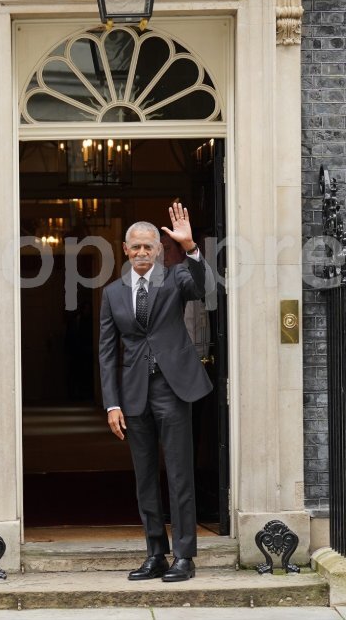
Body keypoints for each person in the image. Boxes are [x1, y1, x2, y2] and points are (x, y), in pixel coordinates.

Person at [98, 202, 213, 583]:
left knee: (180, 474)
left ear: (159, 250)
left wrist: (192, 247)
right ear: (126, 250)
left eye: (150, 246)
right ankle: (155, 553)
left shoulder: (177, 278)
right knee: (144, 477)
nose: (143, 252)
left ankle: (184, 555)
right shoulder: (113, 293)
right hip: (133, 395)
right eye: (136, 247)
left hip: (173, 389)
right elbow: (107, 351)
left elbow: (203, 288)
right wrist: (112, 402)